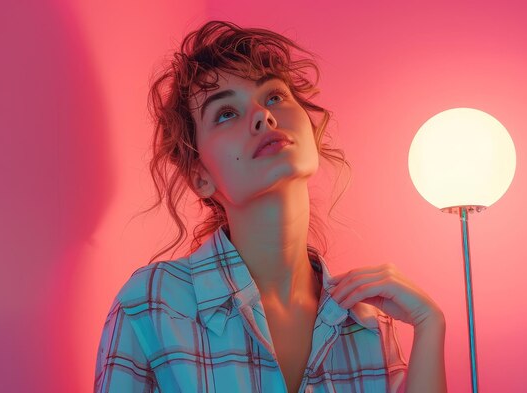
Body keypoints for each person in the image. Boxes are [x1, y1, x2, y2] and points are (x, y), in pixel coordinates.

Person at [94, 20, 447, 393]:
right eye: (226, 113)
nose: (263, 115)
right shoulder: (151, 304)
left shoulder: (365, 322)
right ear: (200, 177)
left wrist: (429, 324)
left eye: (275, 96)